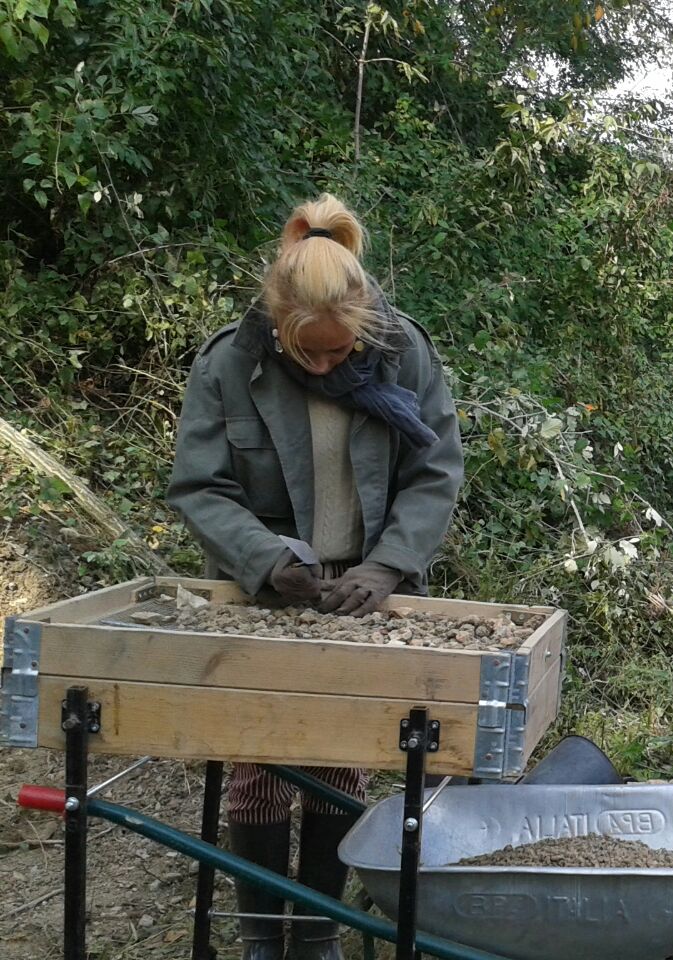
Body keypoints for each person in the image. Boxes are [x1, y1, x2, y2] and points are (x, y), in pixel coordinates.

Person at [168, 193, 464, 959]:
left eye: (341, 353)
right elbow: (201, 486)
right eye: (312, 355)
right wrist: (268, 560)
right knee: (260, 762)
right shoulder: (231, 363)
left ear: (363, 322)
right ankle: (268, 942)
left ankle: (317, 937)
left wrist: (387, 565)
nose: (329, 365)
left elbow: (434, 473)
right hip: (264, 584)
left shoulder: (403, 351)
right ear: (277, 325)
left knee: (344, 756)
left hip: (367, 585)